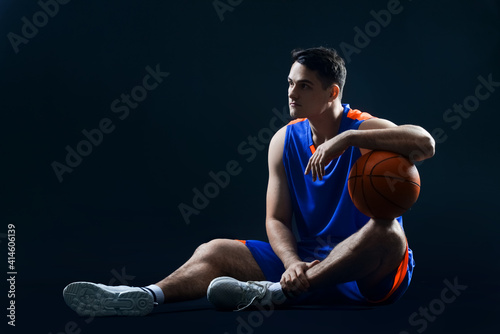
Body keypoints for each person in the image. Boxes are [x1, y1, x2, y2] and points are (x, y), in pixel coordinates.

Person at [63, 47, 435, 316]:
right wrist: (290, 262)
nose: (291, 93)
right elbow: (276, 219)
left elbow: (424, 144)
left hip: (370, 275)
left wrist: (348, 140)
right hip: (305, 263)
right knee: (215, 250)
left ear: (332, 92)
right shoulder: (283, 141)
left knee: (387, 233)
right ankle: (145, 296)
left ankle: (274, 292)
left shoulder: (365, 129)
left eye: (304, 86)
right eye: (290, 84)